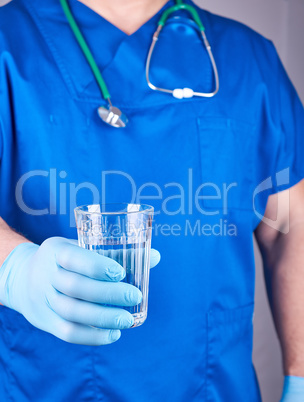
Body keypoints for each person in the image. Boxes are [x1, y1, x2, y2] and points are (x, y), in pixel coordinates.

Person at [0, 0, 303, 401]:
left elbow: (291, 228)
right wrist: (15, 271)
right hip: (48, 385)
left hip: (214, 387)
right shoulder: (9, 45)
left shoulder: (249, 59)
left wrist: (299, 376)